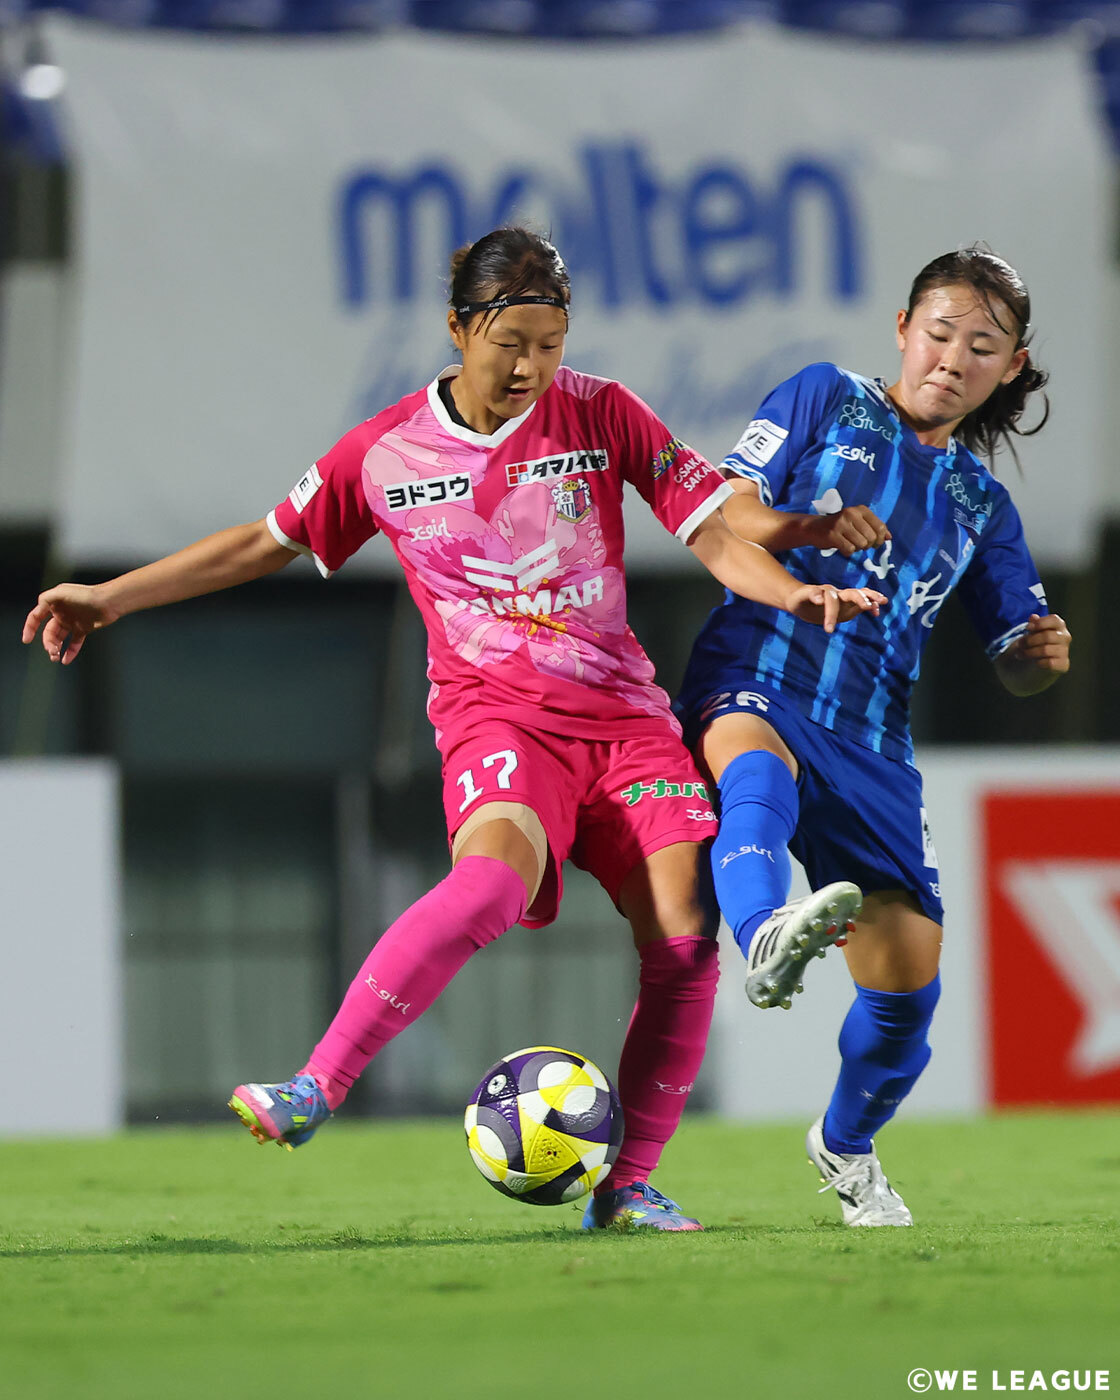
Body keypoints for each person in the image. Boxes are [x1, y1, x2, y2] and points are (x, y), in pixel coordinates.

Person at [24, 226, 880, 1232]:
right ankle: (314, 1087)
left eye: (549, 344)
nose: (529, 367)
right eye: (509, 342)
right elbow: (262, 543)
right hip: (498, 719)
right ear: (458, 327)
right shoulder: (385, 451)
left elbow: (715, 534)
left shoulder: (604, 412)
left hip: (626, 723)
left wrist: (794, 593)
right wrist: (109, 598)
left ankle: (626, 1185)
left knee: (685, 939)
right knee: (487, 884)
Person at [674, 245, 1072, 1227]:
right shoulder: (826, 397)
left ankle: (846, 1145)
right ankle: (764, 930)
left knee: (905, 1005)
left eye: (981, 346)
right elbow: (724, 510)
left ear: (1010, 367)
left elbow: (1015, 661)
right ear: (902, 329)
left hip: (873, 738)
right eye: (939, 333)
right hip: (759, 665)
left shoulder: (982, 506)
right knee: (754, 772)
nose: (952, 358)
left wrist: (1040, 655)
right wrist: (808, 529)